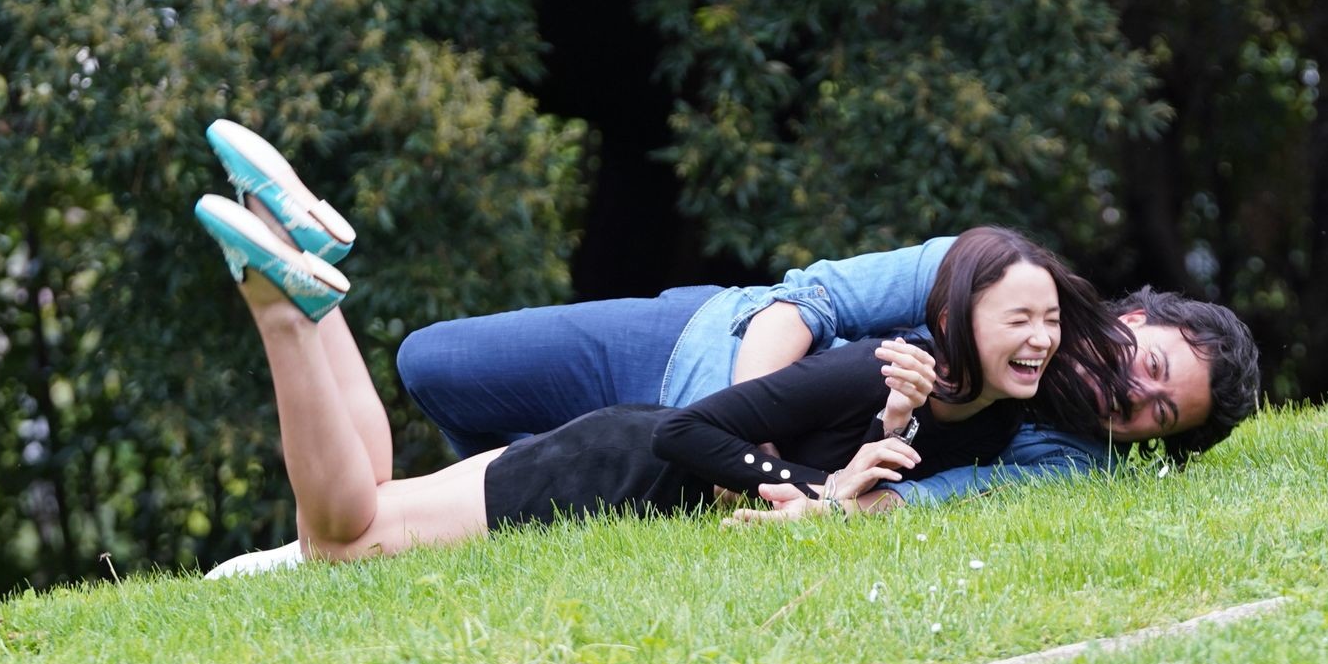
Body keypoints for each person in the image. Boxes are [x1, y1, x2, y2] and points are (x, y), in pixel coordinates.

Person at [192, 122, 1135, 562]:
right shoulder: (873, 361)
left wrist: (865, 458)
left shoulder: (984, 425)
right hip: (616, 467)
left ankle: (309, 278)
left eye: (1052, 322)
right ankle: (281, 309)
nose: (1041, 339)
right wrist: (814, 489)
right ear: (959, 317)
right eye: (1019, 320)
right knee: (342, 542)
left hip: (623, 469)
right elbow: (693, 430)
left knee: (358, 508)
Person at [396, 233, 1262, 505]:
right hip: (692, 348)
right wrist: (745, 446)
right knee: (430, 363)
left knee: (511, 500)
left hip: (699, 465)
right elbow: (804, 301)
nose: (1134, 394)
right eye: (1151, 365)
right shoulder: (995, 273)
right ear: (1135, 316)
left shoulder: (1066, 461)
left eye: (1159, 413)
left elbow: (920, 501)